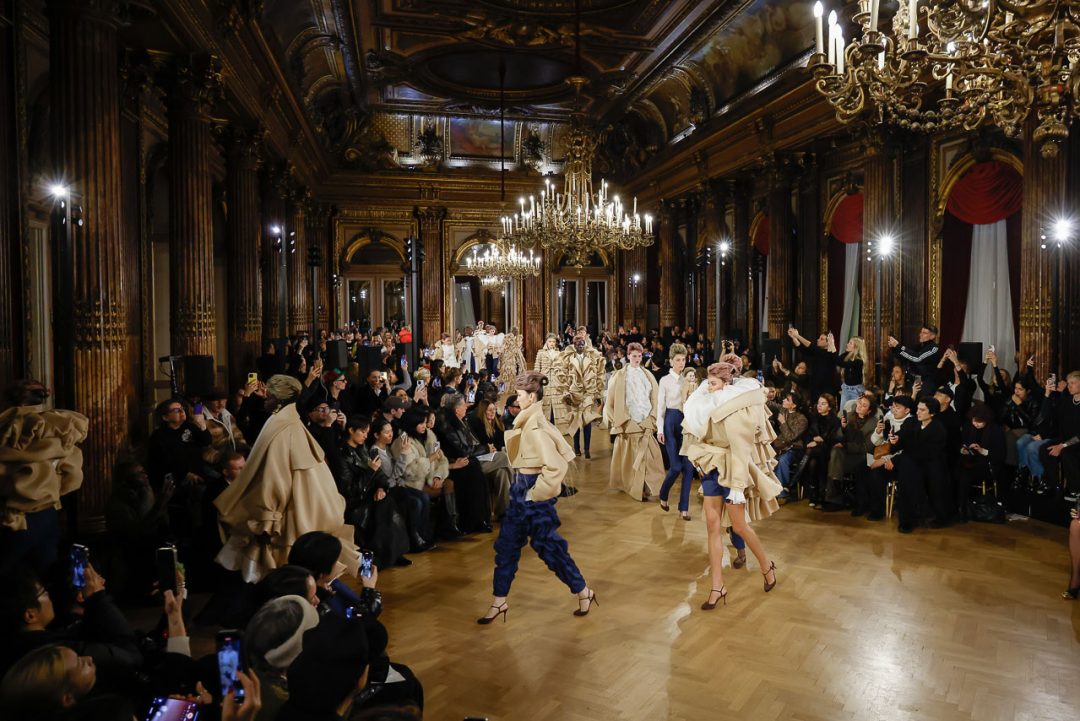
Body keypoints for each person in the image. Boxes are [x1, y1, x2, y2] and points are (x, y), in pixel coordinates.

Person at [215, 374, 360, 582]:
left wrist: (268, 515)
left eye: (269, 395)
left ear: (278, 398)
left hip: (289, 509)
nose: (265, 398)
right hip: (301, 508)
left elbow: (276, 477)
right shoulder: (291, 424)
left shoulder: (282, 429)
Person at [477, 372, 597, 624]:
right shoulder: (529, 422)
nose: (517, 399)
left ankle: (583, 590)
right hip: (521, 490)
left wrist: (533, 494)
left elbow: (556, 467)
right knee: (507, 547)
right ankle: (499, 601)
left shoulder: (535, 427)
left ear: (532, 397)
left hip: (533, 494)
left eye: (520, 395)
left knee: (549, 548)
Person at [681, 358, 782, 610]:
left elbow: (740, 449)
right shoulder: (705, 405)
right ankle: (717, 586)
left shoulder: (736, 410)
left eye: (714, 384)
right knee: (712, 526)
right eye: (708, 383)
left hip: (732, 469)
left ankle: (766, 566)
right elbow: (697, 434)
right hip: (712, 468)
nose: (709, 388)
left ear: (726, 384)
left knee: (739, 526)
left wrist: (737, 487)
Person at [0, 380, 88, 575]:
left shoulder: (6, 428)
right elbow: (73, 476)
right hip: (46, 514)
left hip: (13, 517)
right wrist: (51, 490)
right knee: (45, 575)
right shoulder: (59, 426)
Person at [333, 415, 411, 569]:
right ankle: (377, 561)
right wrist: (370, 471)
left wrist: (381, 487)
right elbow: (349, 489)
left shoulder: (363, 449)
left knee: (394, 502)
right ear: (351, 430)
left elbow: (380, 475)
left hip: (370, 494)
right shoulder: (342, 455)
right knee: (383, 509)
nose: (365, 436)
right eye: (362, 432)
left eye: (367, 432)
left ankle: (392, 554)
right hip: (354, 500)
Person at [604, 342, 664, 500]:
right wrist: (619, 421)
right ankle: (636, 488)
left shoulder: (647, 375)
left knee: (649, 457)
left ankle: (647, 488)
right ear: (628, 356)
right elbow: (610, 402)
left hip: (646, 421)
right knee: (633, 457)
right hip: (628, 423)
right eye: (634, 356)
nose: (637, 359)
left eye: (639, 356)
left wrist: (653, 418)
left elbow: (655, 398)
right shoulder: (619, 376)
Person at [434, 394, 494, 533]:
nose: (466, 406)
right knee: (474, 472)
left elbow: (469, 446)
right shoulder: (448, 425)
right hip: (453, 463)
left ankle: (481, 519)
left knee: (477, 471)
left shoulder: (461, 421)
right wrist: (485, 449)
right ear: (456, 409)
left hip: (466, 460)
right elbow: (460, 449)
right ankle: (472, 521)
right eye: (463, 404)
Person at [656, 343, 695, 520]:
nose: (681, 363)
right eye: (678, 360)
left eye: (683, 359)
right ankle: (663, 494)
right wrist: (659, 429)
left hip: (687, 424)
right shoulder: (664, 380)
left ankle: (684, 509)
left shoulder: (689, 380)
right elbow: (660, 407)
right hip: (671, 422)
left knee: (688, 467)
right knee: (676, 467)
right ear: (671, 361)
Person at [553, 332, 606, 458]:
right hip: (574, 393)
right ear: (574, 345)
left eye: (583, 344)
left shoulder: (592, 356)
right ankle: (576, 448)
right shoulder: (567, 358)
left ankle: (587, 449)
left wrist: (598, 393)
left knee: (587, 420)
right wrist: (566, 392)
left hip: (588, 392)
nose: (581, 346)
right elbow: (561, 375)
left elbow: (600, 374)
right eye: (578, 344)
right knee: (576, 420)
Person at [955, 403, 1006, 520]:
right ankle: (961, 506)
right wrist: (963, 449)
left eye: (979, 422)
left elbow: (1000, 454)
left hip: (988, 464)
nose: (976, 424)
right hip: (970, 460)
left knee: (964, 474)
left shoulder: (996, 431)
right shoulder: (968, 426)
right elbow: (962, 442)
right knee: (959, 470)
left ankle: (963, 507)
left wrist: (982, 450)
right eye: (974, 421)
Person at [887, 325, 943, 393]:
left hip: (927, 382)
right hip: (915, 379)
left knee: (921, 397)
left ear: (932, 336)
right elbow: (906, 358)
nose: (920, 334)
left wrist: (898, 346)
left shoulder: (934, 348)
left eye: (924, 333)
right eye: (921, 332)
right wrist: (894, 348)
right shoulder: (919, 346)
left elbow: (917, 358)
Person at [832, 336, 869, 410]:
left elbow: (841, 363)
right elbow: (837, 360)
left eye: (850, 343)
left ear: (856, 347)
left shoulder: (859, 361)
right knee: (843, 412)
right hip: (846, 389)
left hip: (856, 391)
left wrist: (833, 348)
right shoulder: (846, 355)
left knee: (855, 412)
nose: (847, 344)